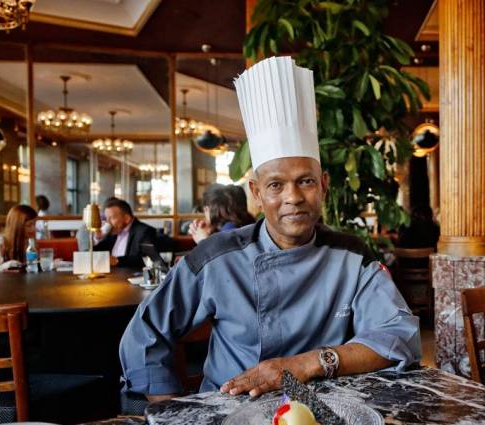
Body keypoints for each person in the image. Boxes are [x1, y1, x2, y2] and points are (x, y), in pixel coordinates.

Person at [119, 56, 421, 403]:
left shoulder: (352, 256)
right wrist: (172, 413)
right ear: (256, 193)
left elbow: (400, 335)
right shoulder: (216, 257)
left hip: (327, 410)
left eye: (305, 181)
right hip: (230, 411)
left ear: (323, 186)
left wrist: (308, 363)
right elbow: (144, 334)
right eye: (276, 185)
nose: (293, 198)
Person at [94, 198, 157, 268]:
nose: (108, 223)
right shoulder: (113, 232)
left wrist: (116, 260)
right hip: (110, 275)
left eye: (112, 218)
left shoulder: (145, 231)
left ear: (127, 218)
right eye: (106, 218)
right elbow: (96, 252)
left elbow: (146, 259)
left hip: (129, 276)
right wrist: (97, 238)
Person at [188, 184, 256, 244]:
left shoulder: (229, 228)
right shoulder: (248, 222)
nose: (205, 212)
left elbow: (224, 257)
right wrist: (209, 232)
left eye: (206, 208)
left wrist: (203, 241)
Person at [0, 205, 37, 272]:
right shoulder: (0, 242)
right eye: (29, 225)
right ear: (17, 226)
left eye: (34, 224)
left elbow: (31, 266)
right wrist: (4, 266)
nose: (33, 229)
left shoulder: (29, 242)